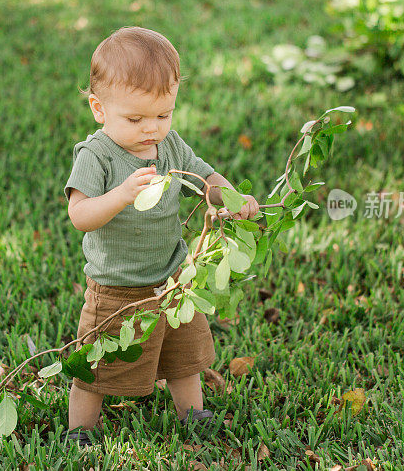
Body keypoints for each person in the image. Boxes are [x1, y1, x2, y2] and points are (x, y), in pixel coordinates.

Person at [62, 26, 260, 446]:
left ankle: (193, 413)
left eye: (163, 114)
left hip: (174, 281)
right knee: (97, 368)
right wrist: (120, 195)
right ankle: (80, 430)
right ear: (99, 109)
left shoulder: (170, 146)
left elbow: (206, 177)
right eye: (135, 119)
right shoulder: (95, 155)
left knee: (183, 358)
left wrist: (233, 197)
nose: (151, 128)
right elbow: (80, 215)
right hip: (116, 289)